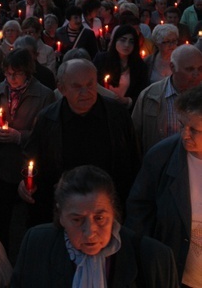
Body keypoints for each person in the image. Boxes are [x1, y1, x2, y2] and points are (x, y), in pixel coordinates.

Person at [12, 165, 179, 287]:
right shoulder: (36, 246)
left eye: (99, 218)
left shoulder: (154, 259)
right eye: (77, 220)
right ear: (60, 215)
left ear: (113, 212)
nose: (90, 232)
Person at [18, 59, 140, 226]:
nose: (86, 92)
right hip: (65, 212)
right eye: (77, 86)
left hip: (110, 210)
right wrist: (25, 182)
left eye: (90, 85)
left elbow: (133, 160)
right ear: (62, 88)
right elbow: (31, 157)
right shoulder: (47, 119)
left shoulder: (117, 115)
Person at [0, 48, 55, 250]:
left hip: (28, 168)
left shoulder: (44, 95)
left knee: (31, 221)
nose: (11, 78)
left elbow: (46, 134)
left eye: (16, 73)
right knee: (0, 218)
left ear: (27, 72)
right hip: (1, 167)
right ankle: (0, 261)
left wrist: (20, 136)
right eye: (8, 73)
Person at [126, 84, 202, 287]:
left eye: (194, 130)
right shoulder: (161, 157)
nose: (185, 135)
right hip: (177, 275)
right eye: (182, 125)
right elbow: (139, 212)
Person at [132, 44, 202, 155]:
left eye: (200, 68)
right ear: (173, 67)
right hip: (159, 165)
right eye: (190, 69)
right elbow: (134, 135)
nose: (197, 75)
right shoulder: (150, 96)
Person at [93, 24, 148, 111]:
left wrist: (127, 100)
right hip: (102, 108)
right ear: (115, 41)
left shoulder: (140, 66)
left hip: (126, 112)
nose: (127, 45)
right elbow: (92, 82)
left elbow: (143, 93)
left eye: (131, 41)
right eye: (123, 40)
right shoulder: (102, 59)